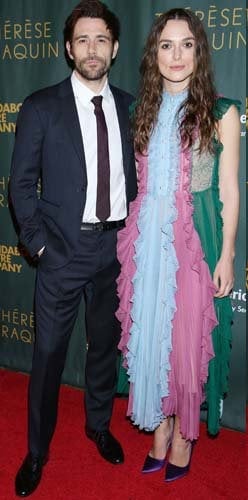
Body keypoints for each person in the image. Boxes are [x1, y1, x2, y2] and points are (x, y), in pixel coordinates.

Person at [9, 1, 135, 496]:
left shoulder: (130, 105)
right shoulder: (41, 106)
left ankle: (98, 426)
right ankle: (36, 452)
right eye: (82, 39)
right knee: (48, 356)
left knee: (103, 348)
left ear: (115, 48)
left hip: (115, 251)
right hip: (61, 254)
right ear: (68, 48)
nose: (91, 48)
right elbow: (20, 186)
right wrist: (39, 247)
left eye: (100, 39)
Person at [115, 8, 240, 482]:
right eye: (166, 45)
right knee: (152, 334)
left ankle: (184, 432)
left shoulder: (222, 112)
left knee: (187, 338)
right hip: (147, 239)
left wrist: (227, 253)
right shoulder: (137, 112)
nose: (176, 55)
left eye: (186, 44)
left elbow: (228, 189)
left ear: (199, 52)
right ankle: (161, 426)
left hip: (197, 238)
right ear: (154, 54)